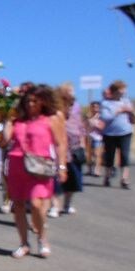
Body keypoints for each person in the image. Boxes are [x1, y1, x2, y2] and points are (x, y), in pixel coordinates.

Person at [4, 86, 65, 258]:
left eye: (35, 101)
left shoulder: (50, 120)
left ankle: (42, 238)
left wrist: (61, 167)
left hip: (39, 167)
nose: (31, 104)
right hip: (16, 164)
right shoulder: (17, 121)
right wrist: (7, 123)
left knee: (37, 204)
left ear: (43, 102)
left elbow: (60, 144)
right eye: (28, 101)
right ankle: (24, 243)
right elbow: (4, 142)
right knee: (19, 206)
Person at [98, 80, 135, 188]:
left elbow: (132, 115)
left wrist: (129, 111)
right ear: (115, 91)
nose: (123, 92)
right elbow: (105, 117)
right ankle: (108, 176)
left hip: (125, 132)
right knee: (110, 156)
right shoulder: (105, 103)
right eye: (121, 90)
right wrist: (118, 111)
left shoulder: (126, 101)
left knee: (124, 155)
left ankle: (124, 178)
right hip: (110, 133)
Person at [56, 83, 86, 215]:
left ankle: (67, 204)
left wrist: (83, 140)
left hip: (74, 146)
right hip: (59, 146)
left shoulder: (77, 107)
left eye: (72, 91)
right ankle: (54, 206)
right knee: (56, 178)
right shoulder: (55, 108)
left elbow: (80, 124)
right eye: (69, 91)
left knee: (74, 178)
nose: (72, 93)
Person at [85, 101, 104, 176]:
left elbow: (103, 127)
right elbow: (84, 126)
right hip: (89, 137)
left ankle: (97, 170)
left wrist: (95, 124)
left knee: (97, 154)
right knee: (89, 154)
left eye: (96, 107)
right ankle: (89, 169)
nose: (95, 108)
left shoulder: (101, 117)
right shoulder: (88, 116)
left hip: (98, 137)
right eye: (93, 107)